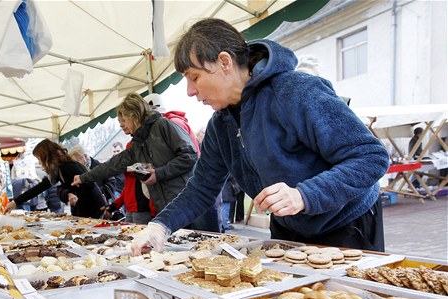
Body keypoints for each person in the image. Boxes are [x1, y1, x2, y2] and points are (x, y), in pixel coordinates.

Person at [130, 18, 389, 255]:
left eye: (194, 77)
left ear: (224, 62)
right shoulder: (220, 126)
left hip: (346, 225)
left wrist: (304, 195)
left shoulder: (297, 92)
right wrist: (161, 226)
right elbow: (201, 188)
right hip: (289, 230)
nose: (190, 91)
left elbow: (371, 157)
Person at [72, 92, 220, 232]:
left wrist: (159, 173)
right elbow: (113, 165)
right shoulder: (137, 144)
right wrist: (84, 177)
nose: (121, 125)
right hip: (169, 207)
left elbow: (190, 155)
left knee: (206, 245)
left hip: (191, 201)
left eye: (123, 120)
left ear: (135, 115)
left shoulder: (163, 125)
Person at [4, 140, 106, 218]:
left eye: (39, 159)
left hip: (93, 208)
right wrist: (15, 202)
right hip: (87, 207)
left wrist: (78, 209)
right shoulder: (58, 169)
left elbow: (89, 185)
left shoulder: (67, 166)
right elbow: (40, 187)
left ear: (46, 157)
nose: (40, 163)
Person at [103, 140, 157, 224]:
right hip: (131, 209)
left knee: (137, 234)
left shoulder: (142, 169)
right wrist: (114, 206)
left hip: (141, 209)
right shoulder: (129, 169)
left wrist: (154, 212)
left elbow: (152, 190)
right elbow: (127, 189)